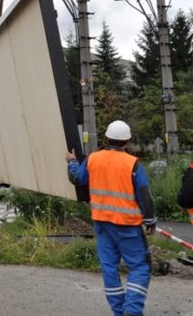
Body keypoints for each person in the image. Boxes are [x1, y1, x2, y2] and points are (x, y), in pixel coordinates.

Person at [66, 120, 156, 316]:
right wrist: (150, 220)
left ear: (106, 138)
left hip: (102, 224)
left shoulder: (93, 159)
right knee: (140, 266)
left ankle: (119, 311)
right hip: (128, 227)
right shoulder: (132, 163)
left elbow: (77, 179)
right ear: (128, 141)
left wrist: (72, 162)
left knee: (109, 268)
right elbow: (144, 195)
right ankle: (131, 311)